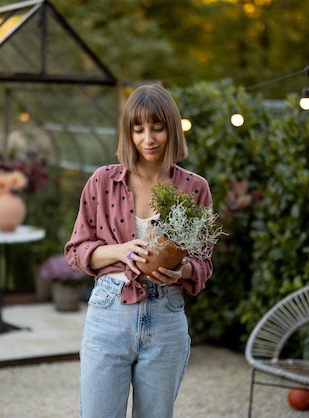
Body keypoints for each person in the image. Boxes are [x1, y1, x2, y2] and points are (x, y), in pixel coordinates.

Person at [64, 83, 214, 418]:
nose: (149, 138)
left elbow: (204, 262)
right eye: (139, 129)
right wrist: (121, 252)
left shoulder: (194, 188)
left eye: (158, 128)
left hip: (166, 315)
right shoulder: (103, 181)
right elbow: (77, 250)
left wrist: (182, 271)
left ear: (171, 130)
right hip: (109, 311)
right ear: (128, 133)